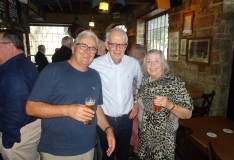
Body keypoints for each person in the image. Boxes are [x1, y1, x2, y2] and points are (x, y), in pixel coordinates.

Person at [26, 30, 115, 160]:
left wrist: (108, 129)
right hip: (57, 151)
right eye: (83, 46)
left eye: (92, 49)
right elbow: (30, 108)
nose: (87, 51)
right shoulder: (52, 71)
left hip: (88, 147)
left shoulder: (95, 76)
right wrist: (68, 110)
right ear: (73, 48)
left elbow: (97, 108)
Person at [89, 28, 143, 160]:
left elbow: (142, 84)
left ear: (126, 46)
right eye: (114, 44)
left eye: (122, 44)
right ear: (107, 45)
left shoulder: (133, 64)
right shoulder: (95, 65)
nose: (118, 48)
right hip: (105, 120)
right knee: (107, 155)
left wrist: (136, 102)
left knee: (123, 154)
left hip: (127, 120)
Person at [136, 49, 194, 160]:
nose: (152, 64)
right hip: (144, 134)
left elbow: (188, 113)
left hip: (163, 139)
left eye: (156, 60)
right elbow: (140, 99)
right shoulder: (145, 80)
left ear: (163, 64)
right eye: (148, 61)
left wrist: (169, 105)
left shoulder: (173, 82)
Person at [0, 30, 41, 160]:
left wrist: (8, 140)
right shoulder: (23, 63)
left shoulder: (15, 72)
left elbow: (16, 110)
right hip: (28, 127)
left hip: (18, 135)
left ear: (10, 46)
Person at [128, 44, 146, 159]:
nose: (129, 55)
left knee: (137, 128)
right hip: (138, 100)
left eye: (131, 53)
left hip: (139, 101)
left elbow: (137, 85)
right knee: (136, 128)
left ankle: (137, 151)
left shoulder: (140, 66)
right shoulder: (137, 64)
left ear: (138, 55)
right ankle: (137, 150)